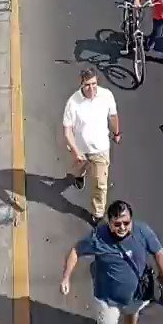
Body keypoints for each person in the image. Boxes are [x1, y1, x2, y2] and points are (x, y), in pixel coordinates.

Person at [60, 200, 163, 324]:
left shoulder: (142, 231)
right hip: (107, 298)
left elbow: (158, 252)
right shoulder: (98, 237)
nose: (122, 228)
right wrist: (66, 277)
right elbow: (76, 250)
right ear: (109, 222)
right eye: (117, 224)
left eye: (126, 223)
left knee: (132, 316)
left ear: (132, 221)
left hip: (136, 295)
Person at [62, 68, 120, 225]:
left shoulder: (106, 95)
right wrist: (75, 151)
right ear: (81, 84)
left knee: (101, 184)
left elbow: (113, 116)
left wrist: (116, 133)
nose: (92, 88)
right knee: (79, 169)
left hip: (100, 150)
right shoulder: (73, 103)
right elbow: (67, 131)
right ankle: (80, 176)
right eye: (88, 85)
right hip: (80, 149)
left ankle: (98, 213)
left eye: (94, 84)